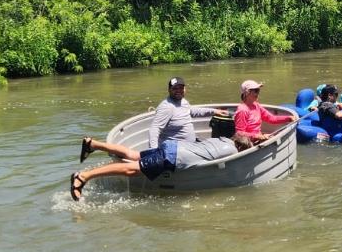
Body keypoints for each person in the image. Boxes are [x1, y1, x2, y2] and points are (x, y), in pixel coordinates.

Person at [70, 114, 252, 201]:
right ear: (240, 147)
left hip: (172, 146)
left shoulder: (221, 140)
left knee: (133, 154)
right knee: (131, 169)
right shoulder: (233, 151)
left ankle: (92, 144)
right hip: (173, 157)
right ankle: (83, 177)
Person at [78, 77, 226, 162]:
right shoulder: (166, 107)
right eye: (175, 88)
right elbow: (155, 129)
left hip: (188, 148)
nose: (179, 91)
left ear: (185, 89)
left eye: (181, 88)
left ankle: (93, 145)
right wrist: (154, 152)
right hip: (174, 152)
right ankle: (93, 145)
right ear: (169, 90)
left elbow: (192, 111)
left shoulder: (183, 102)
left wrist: (214, 111)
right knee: (134, 156)